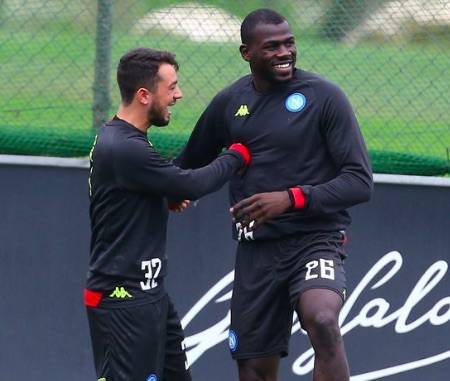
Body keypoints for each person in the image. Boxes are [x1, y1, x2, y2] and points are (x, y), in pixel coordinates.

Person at [176, 9, 373, 381]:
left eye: (289, 43)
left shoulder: (325, 97)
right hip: (257, 250)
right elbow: (189, 163)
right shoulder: (230, 102)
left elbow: (359, 181)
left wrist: (291, 198)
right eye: (272, 47)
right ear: (246, 53)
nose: (285, 52)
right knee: (253, 367)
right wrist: (157, 187)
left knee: (323, 317)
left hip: (315, 239)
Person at [84, 47, 251, 381]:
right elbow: (192, 183)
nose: (179, 94)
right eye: (171, 87)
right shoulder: (124, 147)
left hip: (150, 296)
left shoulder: (129, 141)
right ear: (144, 95)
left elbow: (132, 196)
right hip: (122, 299)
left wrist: (162, 197)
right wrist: (238, 154)